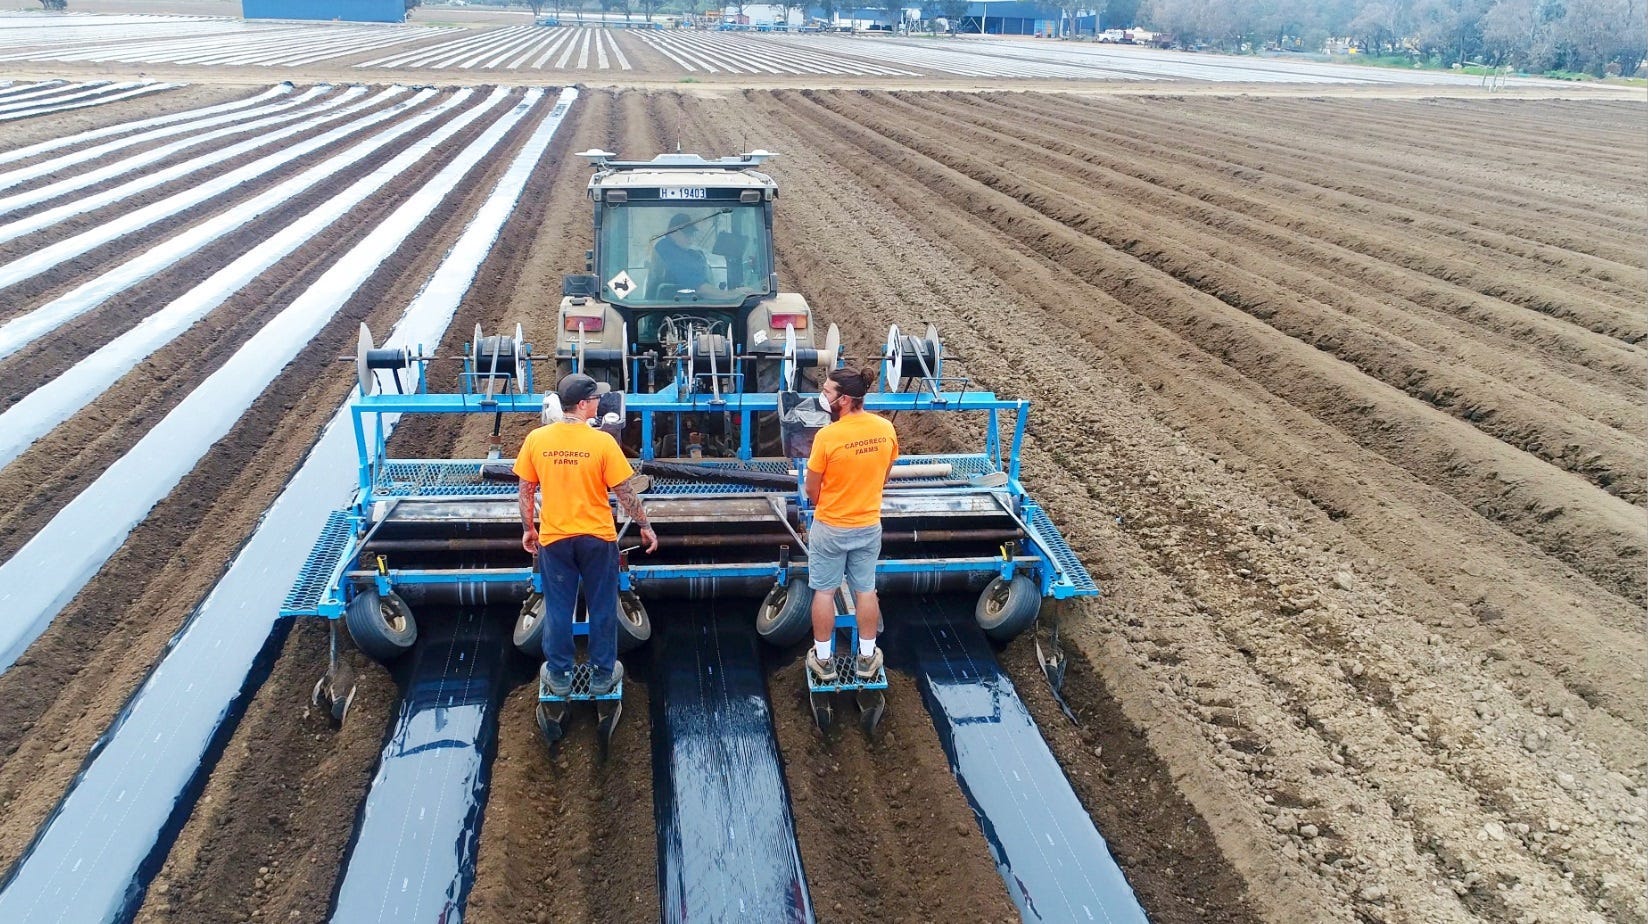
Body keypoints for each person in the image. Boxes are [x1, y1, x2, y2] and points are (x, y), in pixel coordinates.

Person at [515, 373, 658, 697]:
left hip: (555, 540)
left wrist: (529, 529)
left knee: (558, 608)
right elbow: (624, 492)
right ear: (582, 404)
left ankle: (560, 674)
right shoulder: (603, 442)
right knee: (603, 606)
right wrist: (645, 526)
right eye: (595, 399)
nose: (598, 403)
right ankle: (602, 674)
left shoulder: (537, 440)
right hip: (597, 539)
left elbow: (525, 491)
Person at [804, 367, 898, 683]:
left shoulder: (827, 437)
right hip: (868, 525)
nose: (823, 396)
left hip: (830, 527)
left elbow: (811, 490)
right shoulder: (885, 429)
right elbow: (883, 476)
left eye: (828, 392)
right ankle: (867, 657)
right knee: (865, 591)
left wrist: (827, 504)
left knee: (825, 592)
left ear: (843, 400)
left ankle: (824, 660)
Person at [650, 212, 712, 296]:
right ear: (673, 232)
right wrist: (728, 295)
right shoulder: (666, 249)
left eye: (692, 235)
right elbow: (700, 288)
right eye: (687, 234)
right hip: (663, 304)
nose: (690, 240)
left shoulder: (690, 253)